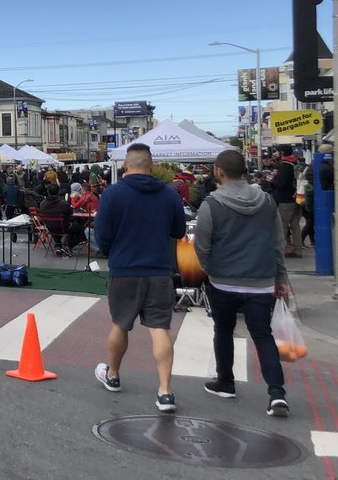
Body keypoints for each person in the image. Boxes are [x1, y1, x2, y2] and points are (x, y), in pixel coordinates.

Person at [194, 149, 290, 417]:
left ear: (218, 172)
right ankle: (277, 393)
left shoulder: (211, 204)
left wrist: (209, 268)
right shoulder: (268, 201)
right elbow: (277, 244)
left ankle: (225, 381)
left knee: (223, 330)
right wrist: (280, 277)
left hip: (223, 281)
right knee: (263, 335)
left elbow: (202, 246)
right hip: (261, 281)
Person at [93, 143, 187, 413]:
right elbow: (179, 230)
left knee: (120, 324)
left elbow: (102, 236)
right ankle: (165, 391)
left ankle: (113, 375)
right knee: (160, 329)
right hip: (159, 270)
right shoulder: (169, 195)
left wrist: (115, 250)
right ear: (151, 165)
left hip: (124, 269)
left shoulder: (112, 194)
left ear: (126, 165)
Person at [268, 148, 303, 257]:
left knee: (281, 224)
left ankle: (281, 249)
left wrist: (271, 180)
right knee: (295, 224)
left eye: (277, 151)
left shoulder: (284, 165)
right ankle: (297, 249)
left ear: (282, 152)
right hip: (297, 197)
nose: (275, 153)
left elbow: (280, 183)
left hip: (286, 199)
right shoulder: (295, 162)